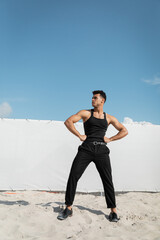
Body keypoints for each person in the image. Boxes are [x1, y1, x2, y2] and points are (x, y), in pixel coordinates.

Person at [57, 90, 128, 222]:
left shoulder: (109, 118)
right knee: (74, 175)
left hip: (102, 150)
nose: (92, 100)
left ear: (102, 101)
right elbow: (68, 122)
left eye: (95, 98)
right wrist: (79, 135)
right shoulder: (86, 113)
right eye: (92, 98)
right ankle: (68, 208)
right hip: (86, 148)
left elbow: (124, 131)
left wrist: (111, 139)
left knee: (107, 179)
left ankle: (113, 211)